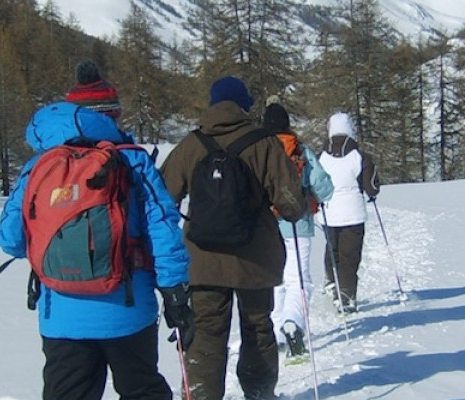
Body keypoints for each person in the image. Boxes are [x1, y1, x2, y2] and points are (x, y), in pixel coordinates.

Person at [0, 99, 193, 399]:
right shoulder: (133, 162)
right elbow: (162, 228)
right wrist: (174, 291)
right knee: (141, 391)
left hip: (61, 315)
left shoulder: (38, 168)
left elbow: (10, 239)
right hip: (128, 309)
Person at [158, 76, 306, 400]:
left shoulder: (191, 144)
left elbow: (161, 198)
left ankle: (201, 394)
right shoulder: (265, 143)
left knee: (206, 334)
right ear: (244, 107)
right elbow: (292, 204)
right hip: (255, 260)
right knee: (257, 328)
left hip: (202, 260)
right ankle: (260, 392)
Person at [263, 101, 333, 358]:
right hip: (298, 225)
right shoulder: (300, 150)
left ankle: (273, 332)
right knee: (299, 281)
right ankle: (292, 324)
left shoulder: (258, 150)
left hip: (267, 226)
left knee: (275, 281)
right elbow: (324, 187)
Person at [317, 112, 379, 314]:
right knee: (349, 255)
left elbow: (315, 182)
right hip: (353, 213)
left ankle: (331, 281)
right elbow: (371, 186)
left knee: (332, 249)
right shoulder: (359, 156)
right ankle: (347, 295)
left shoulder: (321, 157)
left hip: (329, 212)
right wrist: (372, 192)